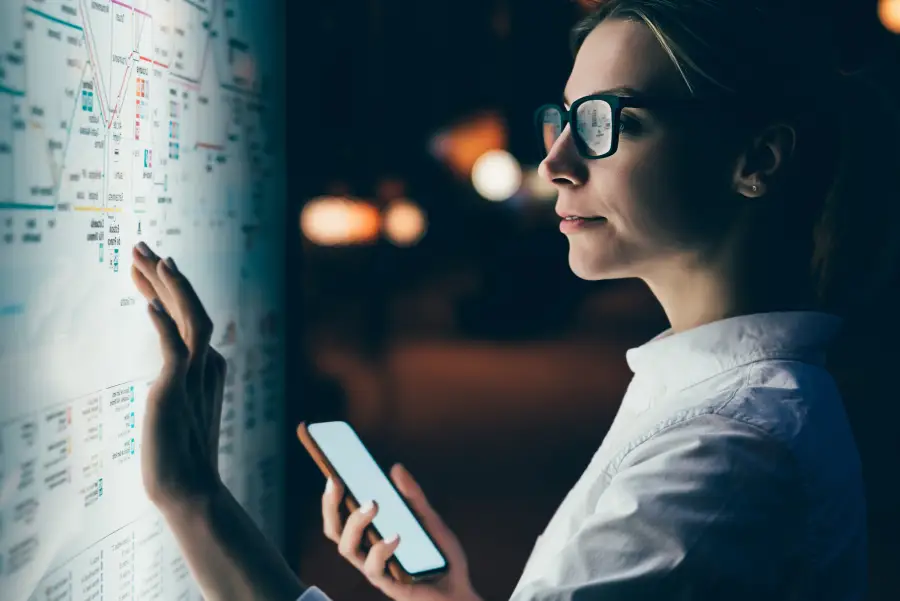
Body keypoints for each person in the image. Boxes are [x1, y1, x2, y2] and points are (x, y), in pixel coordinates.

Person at [130, 0, 900, 599]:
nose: (556, 160)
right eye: (562, 118)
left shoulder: (724, 457)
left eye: (609, 122)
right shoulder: (737, 405)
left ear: (756, 158)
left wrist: (193, 500)